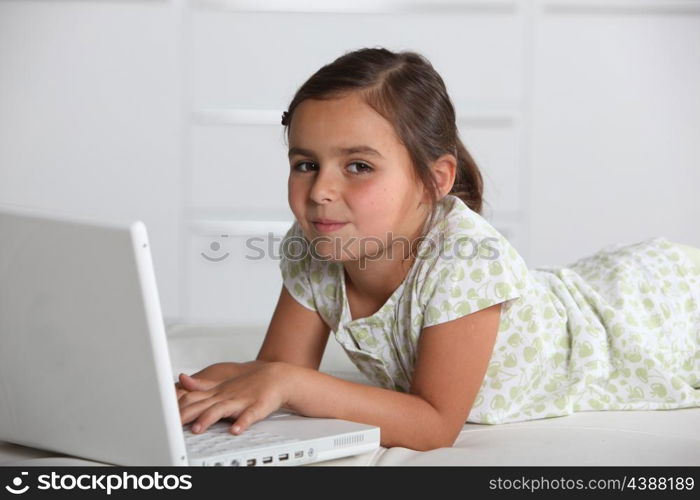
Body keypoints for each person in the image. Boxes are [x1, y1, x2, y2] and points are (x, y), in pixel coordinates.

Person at [176, 47, 700, 451]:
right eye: (305, 163)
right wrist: (195, 387)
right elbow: (278, 370)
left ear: (434, 179)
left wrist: (286, 382)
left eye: (358, 166)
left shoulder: (464, 260)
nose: (320, 191)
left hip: (640, 317)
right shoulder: (314, 246)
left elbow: (434, 423)